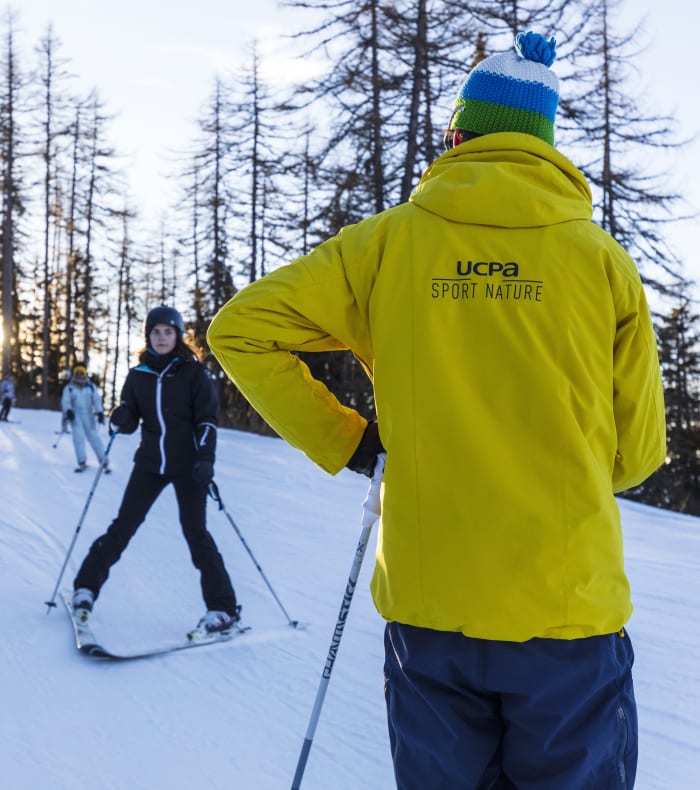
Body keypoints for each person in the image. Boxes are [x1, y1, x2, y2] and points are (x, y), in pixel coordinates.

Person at [207, 32, 666, 789]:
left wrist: (353, 442)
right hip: (566, 618)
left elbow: (241, 330)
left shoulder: (388, 244)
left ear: (459, 134)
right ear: (544, 146)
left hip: (430, 615)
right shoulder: (600, 261)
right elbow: (637, 454)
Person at [72, 305, 241, 639]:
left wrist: (205, 459)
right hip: (149, 463)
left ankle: (222, 609)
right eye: (155, 331)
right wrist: (120, 417)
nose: (162, 337)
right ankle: (85, 588)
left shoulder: (193, 374)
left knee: (197, 536)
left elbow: (206, 419)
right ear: (147, 336)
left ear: (178, 336)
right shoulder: (139, 376)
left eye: (168, 331)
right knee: (122, 527)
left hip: (188, 466)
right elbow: (130, 419)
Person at [61, 363, 108, 472]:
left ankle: (103, 461)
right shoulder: (69, 388)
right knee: (78, 438)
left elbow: (96, 400)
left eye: (82, 373)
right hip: (75, 415)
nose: (80, 375)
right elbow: (65, 401)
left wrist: (100, 412)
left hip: (88, 415)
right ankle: (82, 461)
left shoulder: (90, 387)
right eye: (77, 373)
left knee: (94, 437)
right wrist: (68, 410)